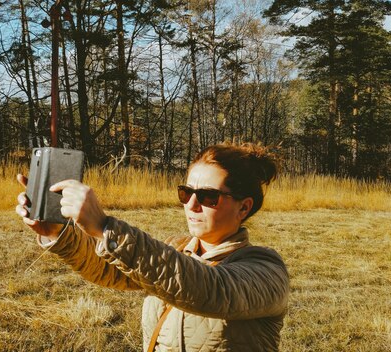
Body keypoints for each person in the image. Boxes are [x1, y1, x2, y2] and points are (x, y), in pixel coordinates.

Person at [15, 143, 289, 352]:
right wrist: (57, 233)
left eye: (208, 196)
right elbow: (110, 270)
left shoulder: (266, 270)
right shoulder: (176, 251)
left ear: (244, 206)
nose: (191, 205)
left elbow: (209, 288)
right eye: (186, 193)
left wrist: (105, 226)